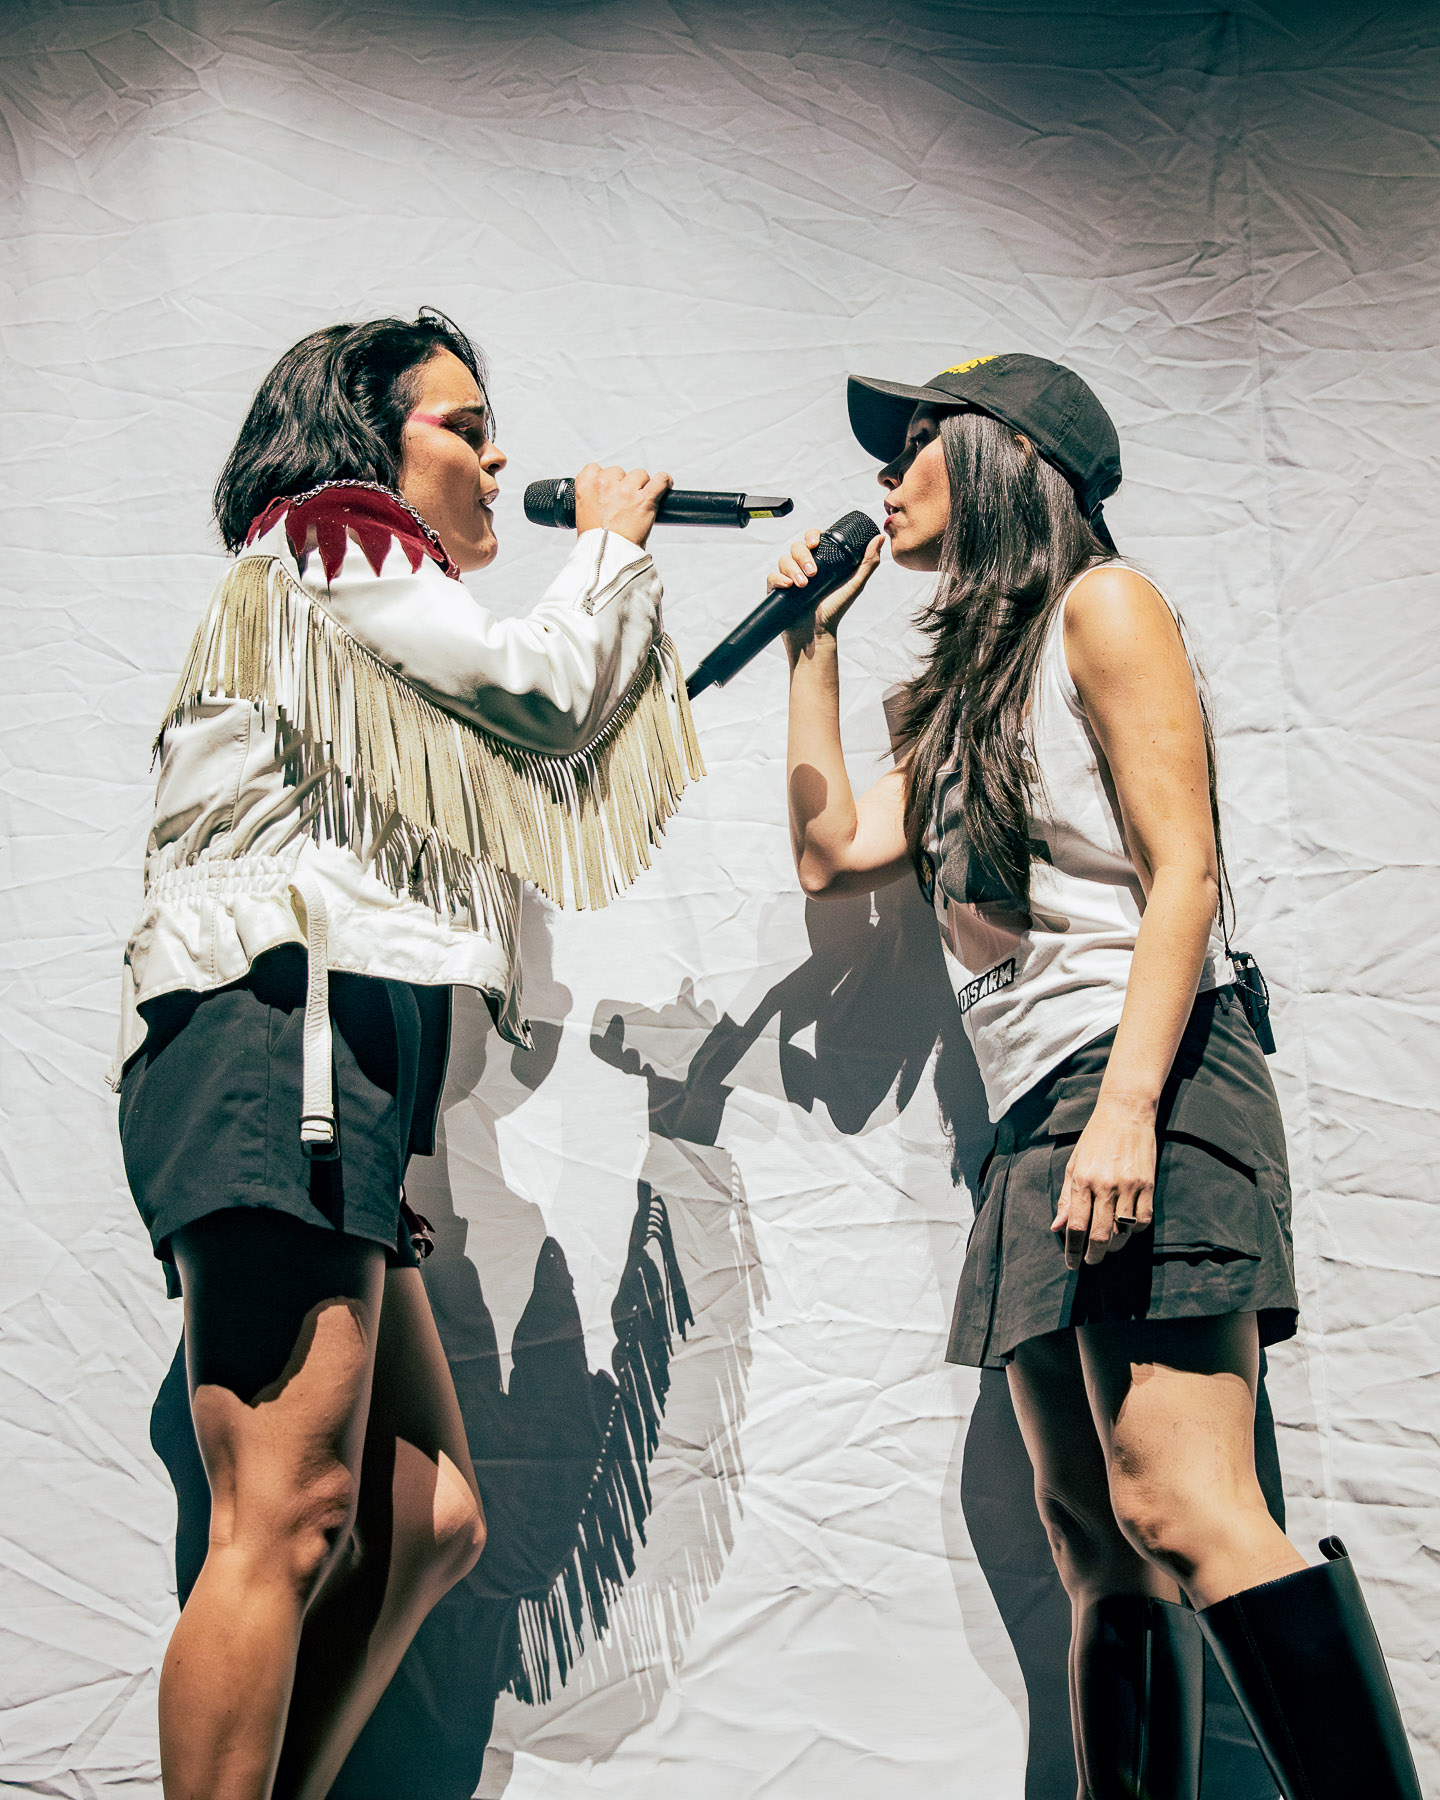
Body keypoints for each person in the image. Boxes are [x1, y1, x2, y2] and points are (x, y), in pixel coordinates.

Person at [774, 352, 1419, 1800]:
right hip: (1030, 1116)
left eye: (916, 440)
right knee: (1096, 1541)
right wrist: (812, 643)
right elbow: (830, 852)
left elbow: (1186, 868)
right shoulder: (963, 693)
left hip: (1145, 1078)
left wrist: (1127, 1108)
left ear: (1004, 456)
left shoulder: (1103, 605)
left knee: (1184, 1501)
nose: (886, 473)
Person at [108, 309, 702, 1800]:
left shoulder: (350, 608)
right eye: (465, 427)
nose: (498, 462)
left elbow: (491, 783)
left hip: (331, 1077)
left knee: (427, 1518)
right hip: (271, 1047)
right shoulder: (330, 533)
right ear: (368, 438)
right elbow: (542, 700)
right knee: (283, 1516)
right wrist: (611, 546)